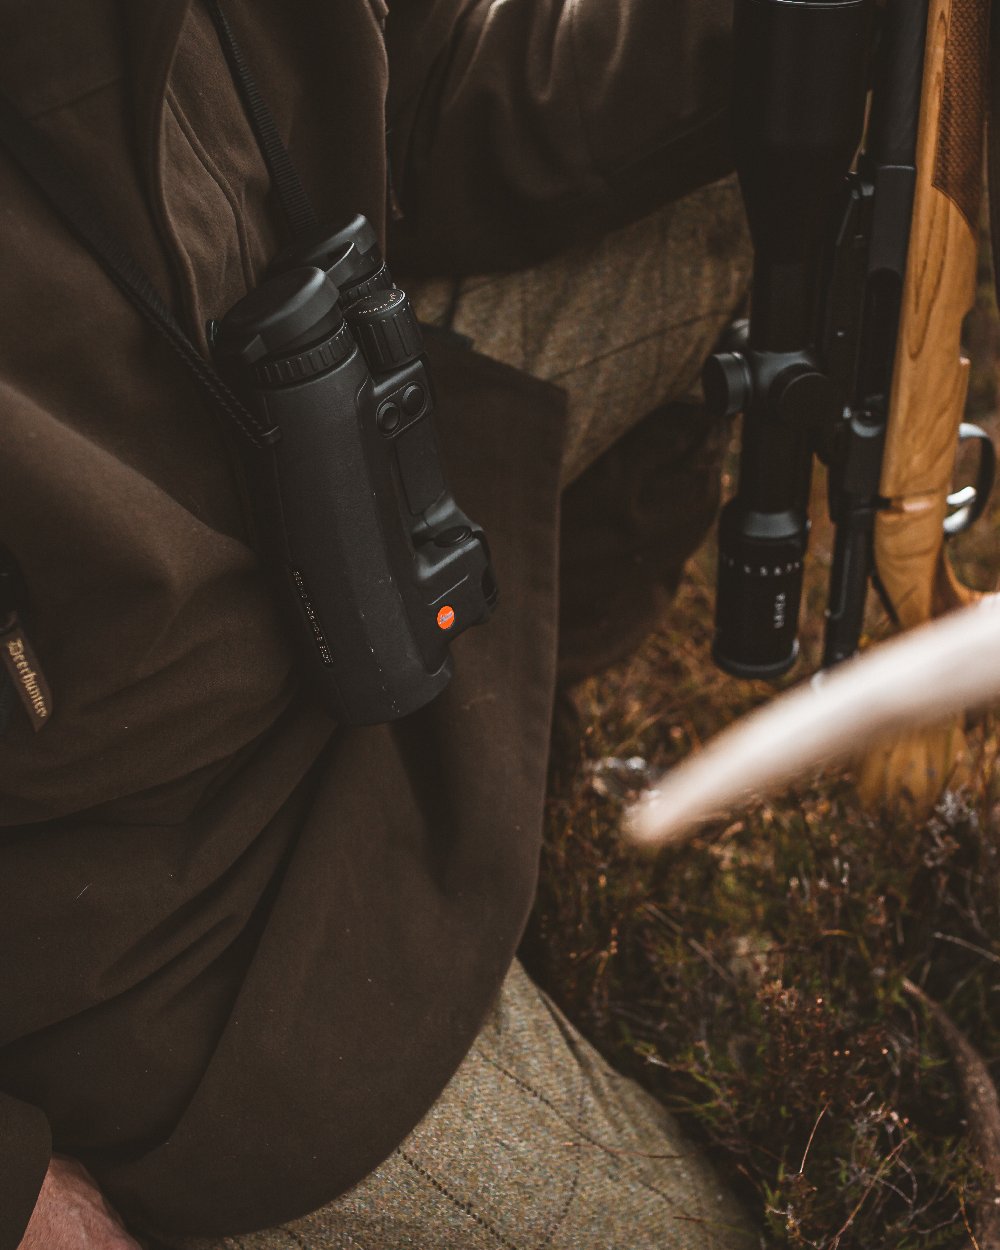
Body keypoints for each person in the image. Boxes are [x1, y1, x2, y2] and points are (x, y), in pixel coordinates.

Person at [0, 1, 753, 1246]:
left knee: (740, 188)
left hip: (336, 510)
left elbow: (424, 84)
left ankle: (529, 767)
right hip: (163, 933)